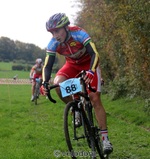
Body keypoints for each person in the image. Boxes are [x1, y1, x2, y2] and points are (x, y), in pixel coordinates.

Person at [42, 13, 113, 154]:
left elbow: (94, 54)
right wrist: (44, 83)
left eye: (57, 31)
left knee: (94, 98)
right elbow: (48, 65)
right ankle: (76, 109)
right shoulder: (53, 43)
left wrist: (92, 72)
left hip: (89, 64)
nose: (55, 35)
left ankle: (105, 139)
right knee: (58, 84)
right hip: (72, 65)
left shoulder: (79, 33)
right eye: (52, 32)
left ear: (66, 27)